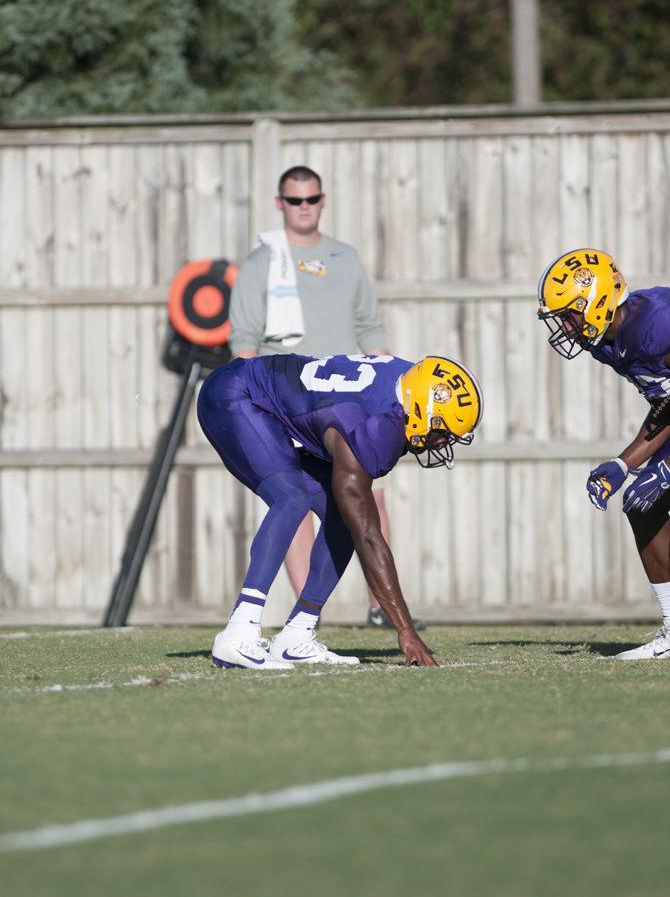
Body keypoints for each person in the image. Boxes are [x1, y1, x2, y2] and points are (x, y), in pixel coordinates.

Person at [229, 164, 425, 630]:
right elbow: (244, 341)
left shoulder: (344, 257)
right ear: (280, 203)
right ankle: (306, 616)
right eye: (294, 201)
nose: (303, 208)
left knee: (369, 499)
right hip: (288, 404)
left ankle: (382, 605)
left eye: (311, 199)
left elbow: (370, 329)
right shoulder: (262, 262)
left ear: (323, 200)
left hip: (346, 400)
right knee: (296, 501)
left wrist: (395, 392)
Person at [197, 352, 483, 669]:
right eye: (441, 431)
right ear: (417, 410)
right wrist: (406, 631)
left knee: (342, 518)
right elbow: (369, 538)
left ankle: (297, 634)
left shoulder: (408, 384)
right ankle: (239, 632)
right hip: (236, 394)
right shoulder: (376, 426)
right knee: (292, 498)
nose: (442, 443)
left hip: (273, 410)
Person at [537, 247, 670, 660]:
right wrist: (622, 464)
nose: (564, 326)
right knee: (640, 503)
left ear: (593, 302)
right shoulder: (607, 343)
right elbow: (665, 400)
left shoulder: (657, 325)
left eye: (568, 314)